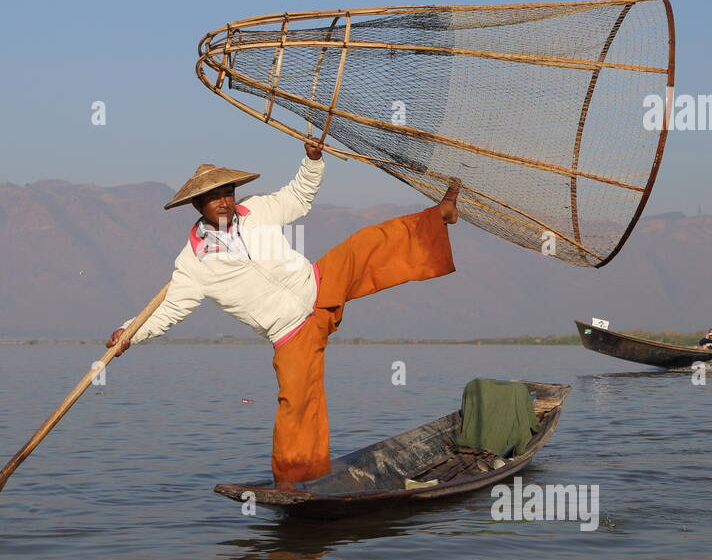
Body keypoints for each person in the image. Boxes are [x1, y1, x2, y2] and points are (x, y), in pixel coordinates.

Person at [106, 137, 459, 489]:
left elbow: (298, 197)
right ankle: (296, 483)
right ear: (198, 204)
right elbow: (169, 309)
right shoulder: (194, 263)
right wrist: (129, 333)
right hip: (291, 332)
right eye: (215, 197)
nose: (225, 202)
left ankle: (439, 216)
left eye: (228, 193)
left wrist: (313, 161)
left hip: (318, 286)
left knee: (366, 244)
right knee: (297, 404)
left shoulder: (256, 211)